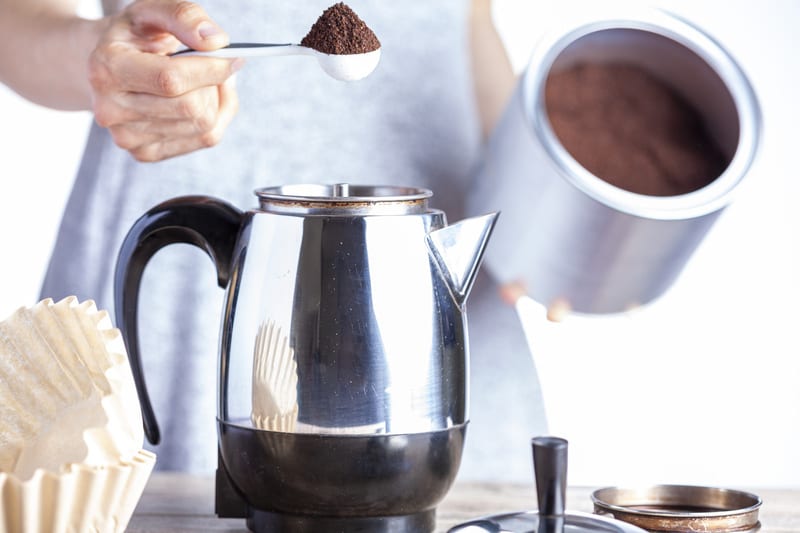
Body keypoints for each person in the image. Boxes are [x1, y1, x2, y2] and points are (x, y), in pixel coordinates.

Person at [0, 0, 548, 482]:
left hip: (424, 330)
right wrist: (100, 60)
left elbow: (470, 19)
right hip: (171, 304)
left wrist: (551, 209)